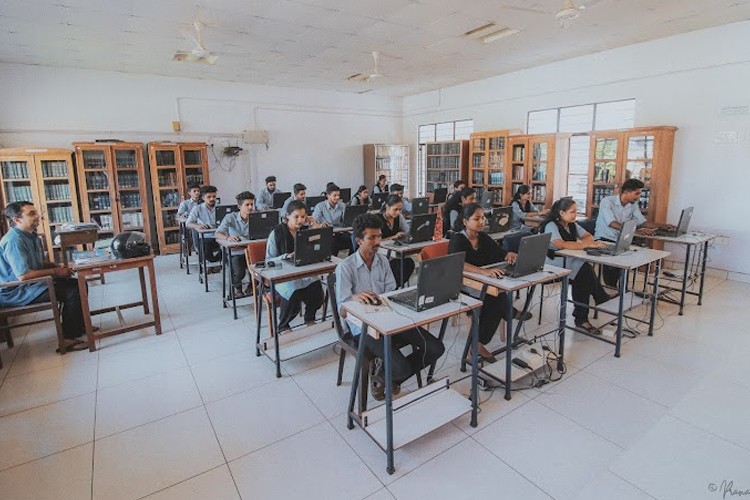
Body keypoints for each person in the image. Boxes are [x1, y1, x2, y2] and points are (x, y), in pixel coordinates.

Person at [335, 213, 445, 400]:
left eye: (379, 236)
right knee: (402, 367)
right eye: (372, 237)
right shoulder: (346, 267)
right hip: (362, 327)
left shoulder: (383, 261)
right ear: (359, 240)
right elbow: (343, 312)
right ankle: (394, 375)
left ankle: (385, 377)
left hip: (391, 318)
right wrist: (354, 298)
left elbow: (392, 293)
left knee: (435, 348)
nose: (378, 241)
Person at [448, 203, 530, 363]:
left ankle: (477, 344)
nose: (482, 222)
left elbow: (500, 254)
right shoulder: (457, 239)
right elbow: (458, 263)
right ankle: (508, 313)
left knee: (495, 295)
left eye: (483, 218)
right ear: (465, 221)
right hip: (462, 284)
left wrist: (509, 255)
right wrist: (483, 272)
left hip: (481, 281)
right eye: (477, 218)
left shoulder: (483, 237)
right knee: (494, 299)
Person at [0, 202, 87, 352]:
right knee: (72, 290)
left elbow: (36, 263)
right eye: (31, 214)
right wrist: (55, 272)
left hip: (32, 284)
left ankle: (78, 327)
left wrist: (54, 265)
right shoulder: (14, 241)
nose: (38, 216)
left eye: (36, 212)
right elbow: (24, 275)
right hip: (17, 291)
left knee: (78, 283)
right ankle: (67, 338)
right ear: (17, 220)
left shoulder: (30, 235)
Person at [542, 198, 613, 334]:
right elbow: (560, 244)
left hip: (569, 259)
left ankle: (584, 316)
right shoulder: (551, 225)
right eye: (572, 212)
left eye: (576, 211)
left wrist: (585, 243)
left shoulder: (572, 224)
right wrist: (586, 245)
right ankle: (597, 301)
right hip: (553, 262)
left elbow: (588, 236)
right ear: (561, 213)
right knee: (584, 270)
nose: (575, 215)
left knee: (583, 275)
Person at [594, 178, 673, 286]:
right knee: (619, 259)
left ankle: (622, 288)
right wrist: (636, 230)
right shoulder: (607, 201)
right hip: (604, 238)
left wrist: (662, 226)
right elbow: (612, 223)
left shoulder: (633, 205)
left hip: (623, 238)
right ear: (626, 192)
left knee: (635, 254)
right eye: (637, 193)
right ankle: (612, 286)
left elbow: (642, 222)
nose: (639, 197)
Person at [265, 200, 326, 332]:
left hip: (303, 271)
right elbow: (269, 260)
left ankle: (310, 317)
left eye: (303, 217)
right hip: (283, 275)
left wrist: (314, 226)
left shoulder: (305, 231)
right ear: (287, 216)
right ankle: (283, 325)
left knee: (316, 289)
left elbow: (316, 248)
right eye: (296, 216)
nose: (300, 220)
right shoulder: (276, 233)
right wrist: (286, 256)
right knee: (293, 291)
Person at [215, 191, 256, 298]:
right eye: (247, 204)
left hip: (252, 250)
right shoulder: (230, 217)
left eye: (252, 204)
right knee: (239, 273)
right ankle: (238, 288)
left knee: (260, 269)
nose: (251, 207)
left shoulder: (257, 216)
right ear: (239, 206)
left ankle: (251, 286)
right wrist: (228, 237)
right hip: (236, 251)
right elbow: (217, 233)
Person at [377, 195, 415, 287]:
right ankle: (393, 287)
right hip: (381, 252)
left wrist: (406, 234)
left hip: (395, 250)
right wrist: (393, 236)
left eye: (400, 209)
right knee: (397, 265)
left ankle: (396, 286)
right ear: (387, 207)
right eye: (395, 209)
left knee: (409, 263)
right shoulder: (377, 219)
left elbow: (407, 231)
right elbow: (376, 240)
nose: (398, 212)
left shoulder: (399, 217)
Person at [186, 185, 221, 270]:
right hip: (205, 237)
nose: (212, 199)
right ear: (203, 197)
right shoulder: (197, 208)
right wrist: (199, 225)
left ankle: (216, 264)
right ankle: (212, 264)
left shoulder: (220, 208)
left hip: (219, 236)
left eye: (214, 196)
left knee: (229, 249)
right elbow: (188, 223)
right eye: (208, 197)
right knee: (206, 250)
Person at [312, 183, 352, 255]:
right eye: (335, 195)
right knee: (333, 243)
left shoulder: (342, 205)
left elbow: (345, 219)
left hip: (339, 232)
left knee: (352, 240)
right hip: (327, 234)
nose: (337, 198)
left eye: (338, 195)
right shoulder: (320, 206)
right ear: (328, 196)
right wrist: (320, 225)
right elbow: (313, 222)